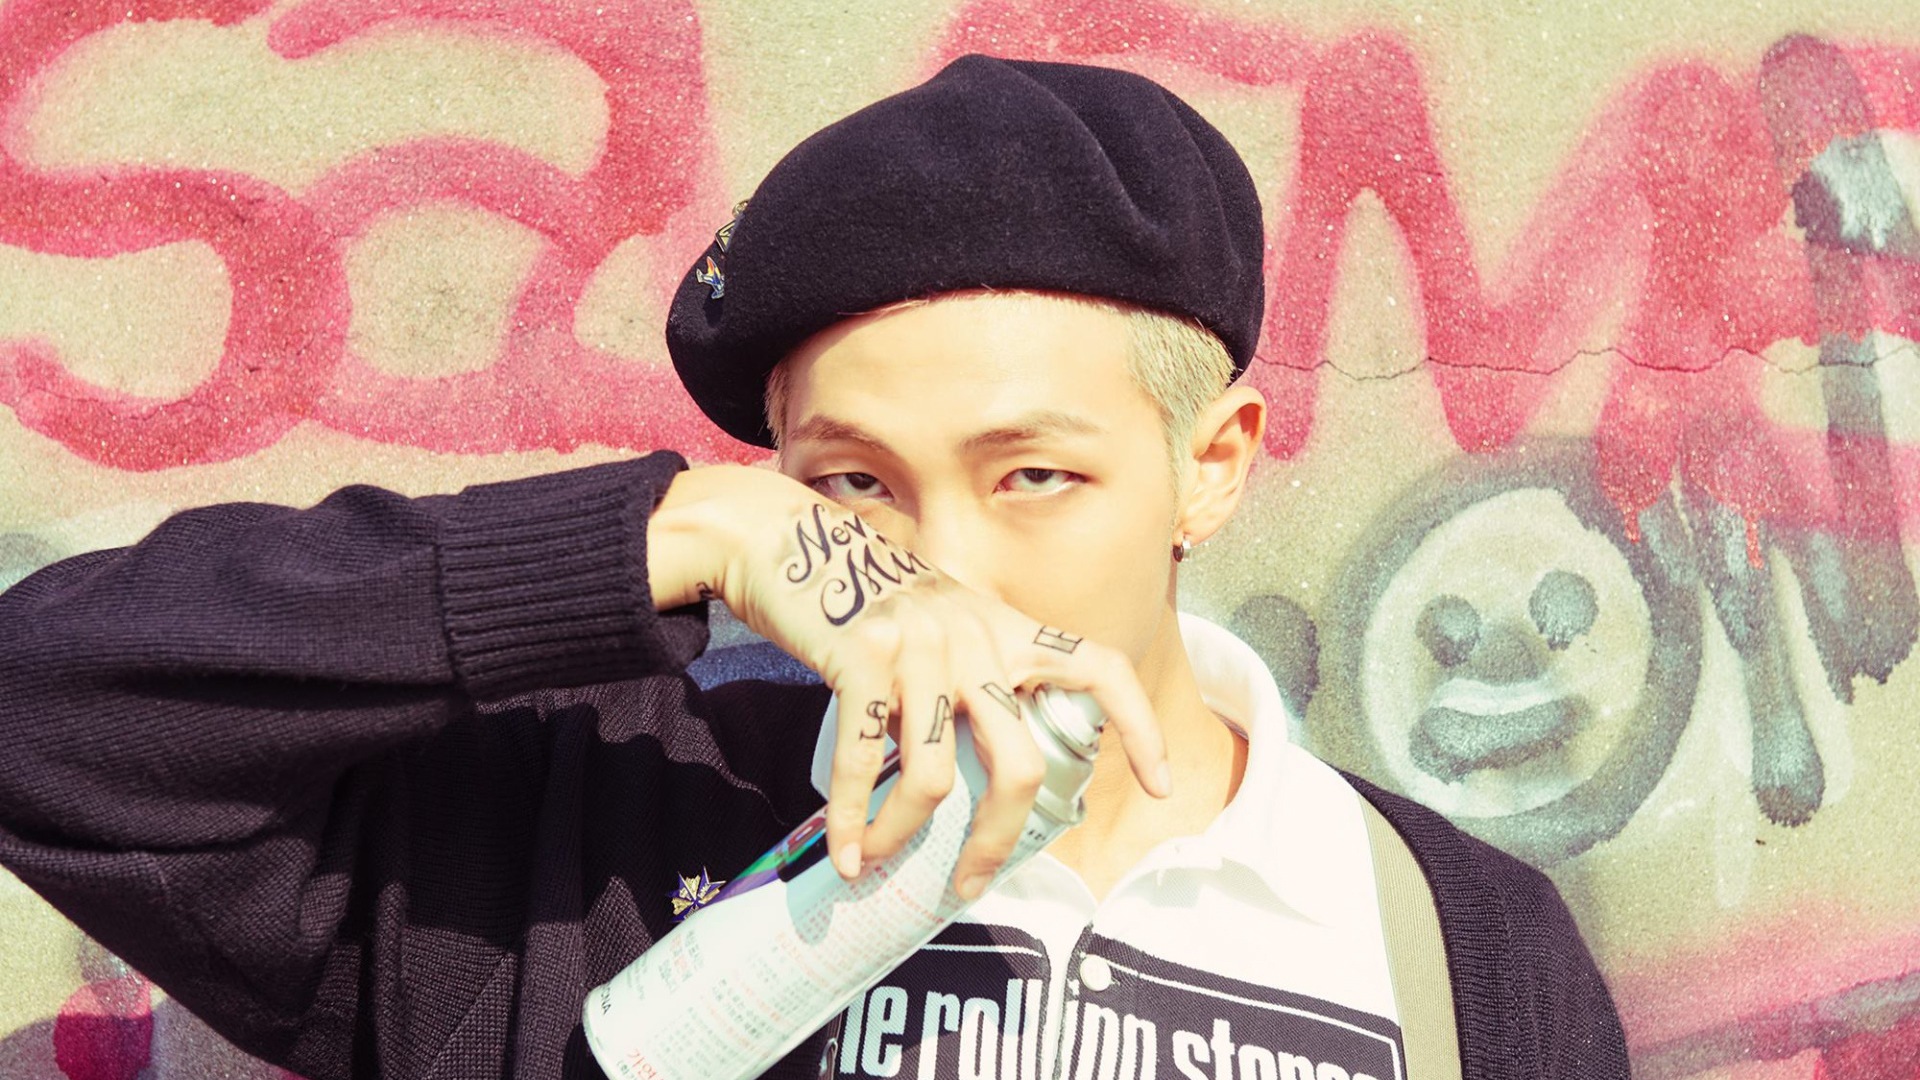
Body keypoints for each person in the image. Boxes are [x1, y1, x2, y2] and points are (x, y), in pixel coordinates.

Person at [0, 55, 1628, 1080]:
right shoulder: (581, 833)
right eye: (852, 486)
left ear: (1213, 465)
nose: (945, 570)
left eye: (1036, 476)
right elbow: (44, 714)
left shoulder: (1458, 942)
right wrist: (680, 534)